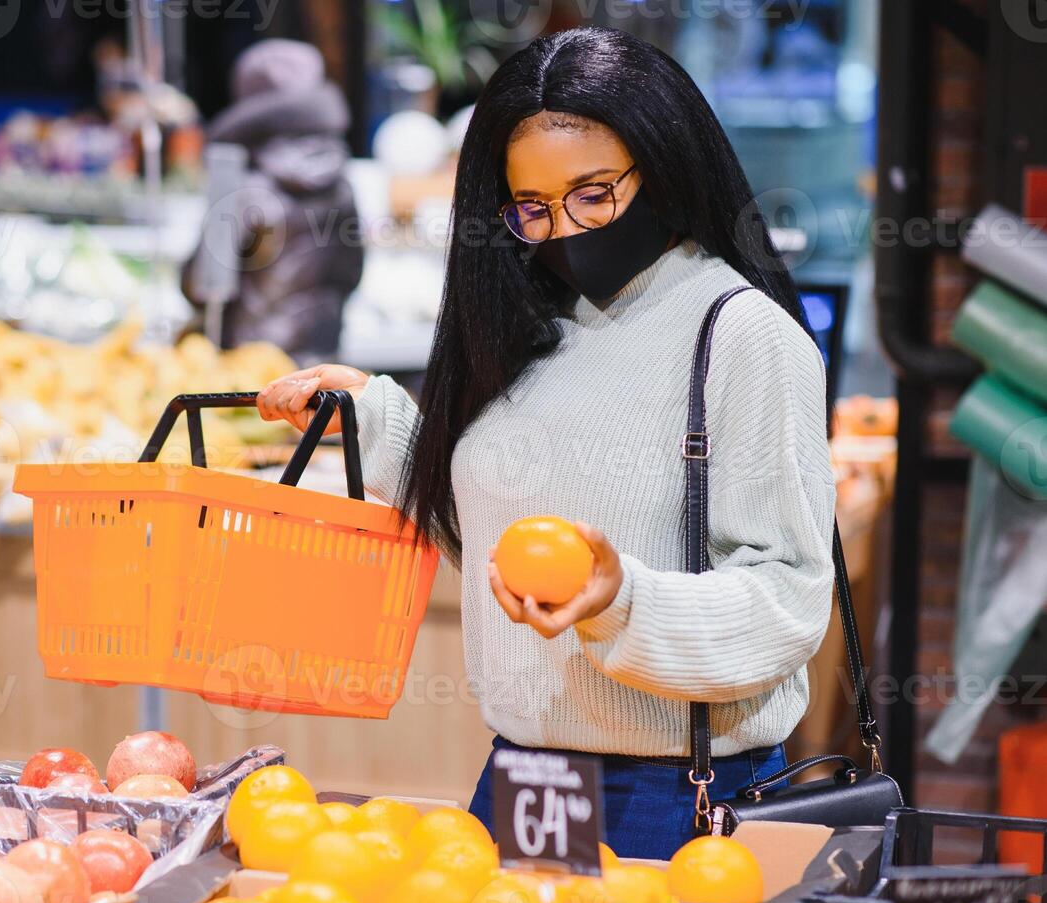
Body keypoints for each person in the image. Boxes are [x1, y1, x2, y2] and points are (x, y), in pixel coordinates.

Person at [257, 28, 834, 860]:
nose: (565, 231)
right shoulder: (532, 319)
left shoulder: (740, 334)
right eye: (532, 209)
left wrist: (619, 599)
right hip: (519, 778)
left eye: (594, 194)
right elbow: (506, 545)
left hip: (673, 794)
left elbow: (788, 600)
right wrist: (379, 427)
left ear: (664, 163)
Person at [182, 39, 363, 364]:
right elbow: (352, 274)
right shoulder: (343, 184)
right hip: (325, 367)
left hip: (255, 374)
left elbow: (201, 287)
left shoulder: (245, 191)